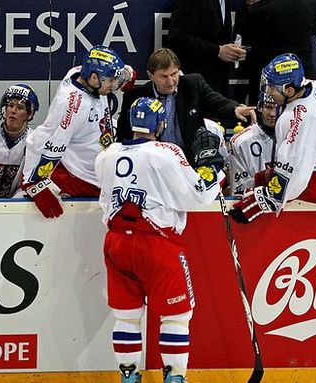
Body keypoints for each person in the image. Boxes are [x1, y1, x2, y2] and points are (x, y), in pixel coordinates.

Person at [95, 97, 224, 383]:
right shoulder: (166, 151)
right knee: (177, 316)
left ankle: (128, 376)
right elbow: (199, 195)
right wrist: (213, 168)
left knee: (126, 316)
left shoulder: (105, 155)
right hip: (156, 244)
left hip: (115, 243)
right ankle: (175, 377)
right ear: (160, 123)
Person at [229, 53, 316, 224]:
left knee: (267, 187)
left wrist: (261, 201)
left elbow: (295, 178)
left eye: (272, 88)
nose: (268, 92)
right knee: (263, 177)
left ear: (289, 90)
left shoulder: (300, 118)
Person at [20, 45, 132, 218]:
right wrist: (34, 183)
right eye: (111, 81)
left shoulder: (80, 73)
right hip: (81, 178)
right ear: (94, 78)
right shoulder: (73, 106)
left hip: (99, 167)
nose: (114, 85)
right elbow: (45, 139)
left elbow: (118, 71)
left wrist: (125, 76)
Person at [117, 48, 255, 167]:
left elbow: (217, 102)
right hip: (152, 166)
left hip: (190, 164)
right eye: (163, 76)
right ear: (150, 75)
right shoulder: (135, 98)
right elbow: (123, 138)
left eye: (174, 74)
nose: (170, 81)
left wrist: (235, 109)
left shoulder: (193, 85)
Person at [237, 0, 316, 104]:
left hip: (270, 88)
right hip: (304, 81)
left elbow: (245, 38)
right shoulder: (310, 2)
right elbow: (315, 28)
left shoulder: (257, 9)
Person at [167, 0, 246, 96]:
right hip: (195, 85)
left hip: (219, 87)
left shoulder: (227, 2)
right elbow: (177, 37)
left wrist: (233, 52)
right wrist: (217, 50)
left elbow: (218, 37)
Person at [228, 92, 278, 195]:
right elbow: (239, 191)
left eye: (278, 108)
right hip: (252, 204)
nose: (272, 114)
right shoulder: (240, 142)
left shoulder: (296, 138)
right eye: (268, 107)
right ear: (260, 107)